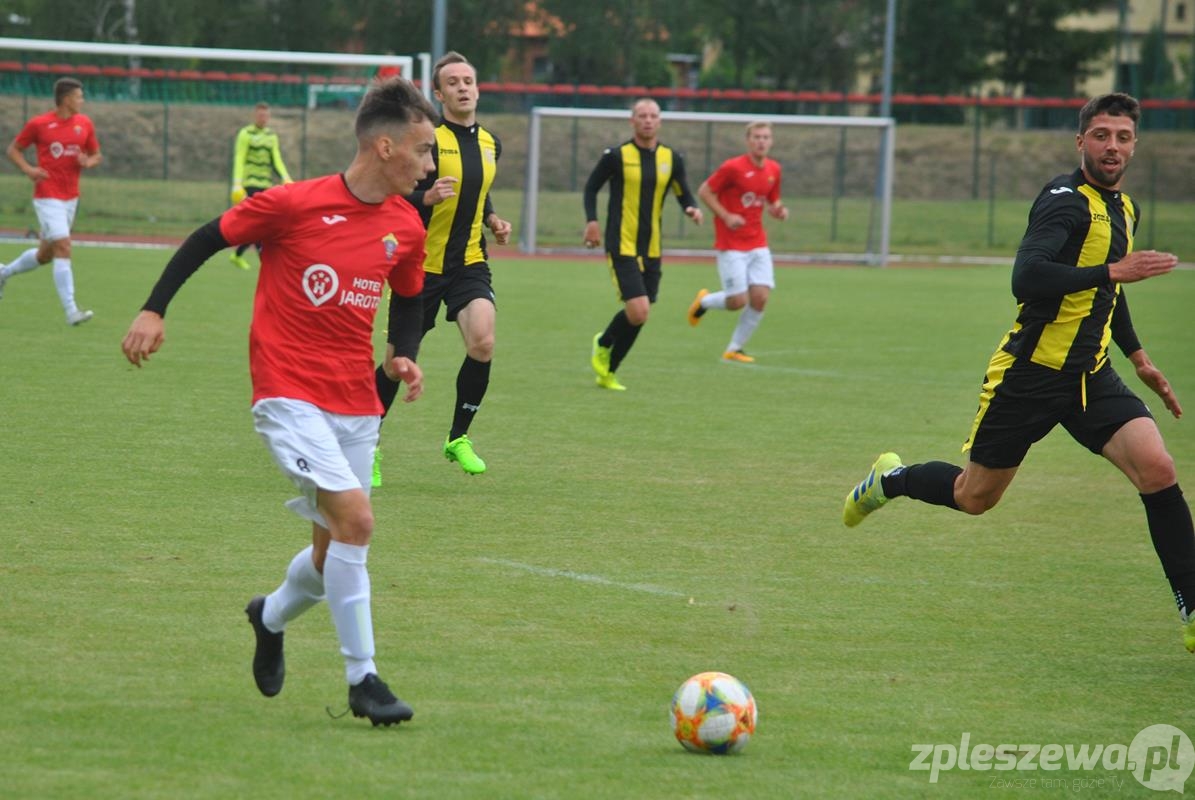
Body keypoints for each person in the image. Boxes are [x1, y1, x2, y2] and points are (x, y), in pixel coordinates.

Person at [121, 76, 438, 725]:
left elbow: (409, 296)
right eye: (423, 149)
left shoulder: (405, 225)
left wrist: (402, 352)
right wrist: (154, 309)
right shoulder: (295, 204)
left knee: (328, 557)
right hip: (287, 393)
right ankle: (364, 680)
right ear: (385, 146)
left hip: (356, 401)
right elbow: (208, 237)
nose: (430, 165)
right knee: (358, 525)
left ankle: (268, 617)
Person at [842, 93, 1195, 652]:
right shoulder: (1063, 202)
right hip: (1029, 376)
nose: (1112, 146)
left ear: (1134, 146)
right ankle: (890, 479)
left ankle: (1192, 607)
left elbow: (1110, 286)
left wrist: (1139, 357)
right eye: (1101, 135)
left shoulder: (1125, 208)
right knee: (974, 496)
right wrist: (1112, 270)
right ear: (1081, 141)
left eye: (1123, 137)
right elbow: (1027, 278)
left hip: (1091, 377)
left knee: (1158, 468)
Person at [374, 51, 512, 481]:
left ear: (477, 88)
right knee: (397, 363)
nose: (462, 87)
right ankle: (366, 444)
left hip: (469, 262)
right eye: (453, 83)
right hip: (420, 267)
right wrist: (427, 199)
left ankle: (458, 438)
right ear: (439, 94)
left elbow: (476, 188)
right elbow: (393, 193)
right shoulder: (426, 139)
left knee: (483, 342)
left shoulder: (490, 143)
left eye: (468, 80)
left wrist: (492, 219)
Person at [583, 98, 703, 391]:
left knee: (640, 314)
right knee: (639, 310)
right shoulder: (616, 156)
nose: (648, 120)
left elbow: (683, 192)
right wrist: (592, 221)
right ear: (632, 121)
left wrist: (691, 208)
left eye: (653, 116)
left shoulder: (671, 158)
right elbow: (591, 187)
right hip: (621, 244)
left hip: (652, 247)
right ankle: (604, 343)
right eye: (642, 115)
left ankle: (609, 370)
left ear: (659, 121)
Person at [0, 77, 101, 325]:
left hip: (71, 197)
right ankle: (71, 311)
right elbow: (13, 150)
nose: (82, 101)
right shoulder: (40, 124)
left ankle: (3, 272)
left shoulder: (84, 123)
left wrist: (87, 162)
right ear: (66, 99)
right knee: (64, 246)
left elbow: (96, 154)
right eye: (78, 97)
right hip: (47, 195)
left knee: (45, 255)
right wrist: (28, 169)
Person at [688, 121, 789, 363]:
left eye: (765, 137)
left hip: (758, 242)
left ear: (771, 141)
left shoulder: (774, 169)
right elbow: (704, 191)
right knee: (737, 301)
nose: (761, 141)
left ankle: (734, 349)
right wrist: (725, 216)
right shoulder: (732, 167)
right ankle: (704, 301)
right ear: (748, 140)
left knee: (761, 297)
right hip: (731, 244)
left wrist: (779, 210)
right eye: (756, 137)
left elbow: (772, 200)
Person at [228, 101, 293, 270]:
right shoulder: (246, 133)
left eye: (266, 115)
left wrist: (286, 177)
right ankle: (265, 261)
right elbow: (239, 158)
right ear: (255, 116)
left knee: (261, 224)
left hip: (266, 184)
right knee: (260, 223)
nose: (263, 118)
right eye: (260, 115)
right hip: (250, 183)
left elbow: (276, 159)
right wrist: (237, 183)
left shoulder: (271, 136)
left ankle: (238, 255)